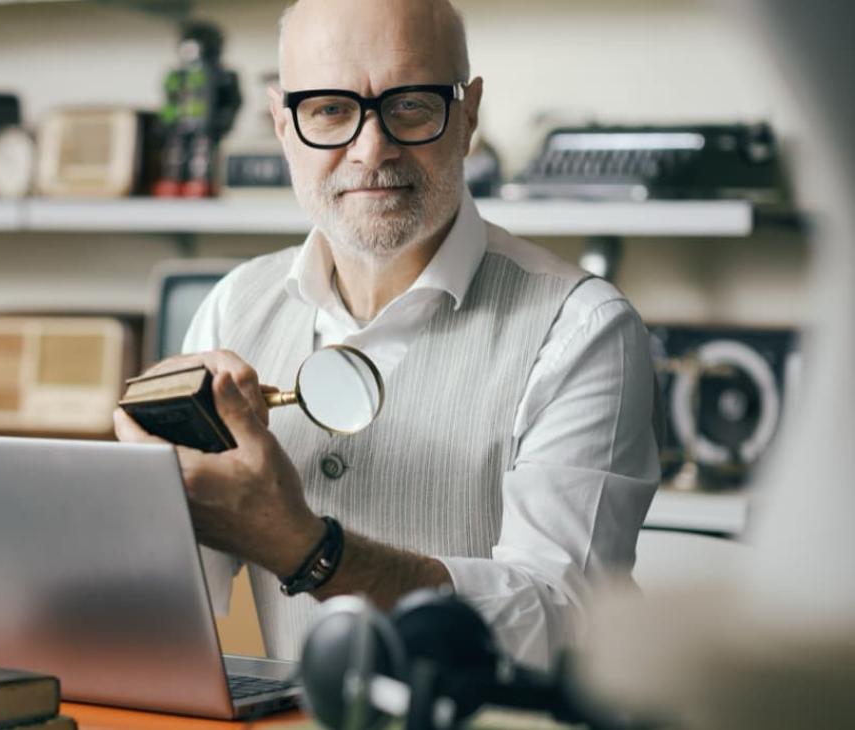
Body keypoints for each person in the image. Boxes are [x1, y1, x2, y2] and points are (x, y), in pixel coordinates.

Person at [115, 0, 659, 671]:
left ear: (467, 114)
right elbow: (160, 604)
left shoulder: (582, 330)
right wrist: (144, 495)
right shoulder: (232, 307)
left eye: (410, 106)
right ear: (283, 125)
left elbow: (565, 625)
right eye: (329, 110)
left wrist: (305, 547)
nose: (372, 149)